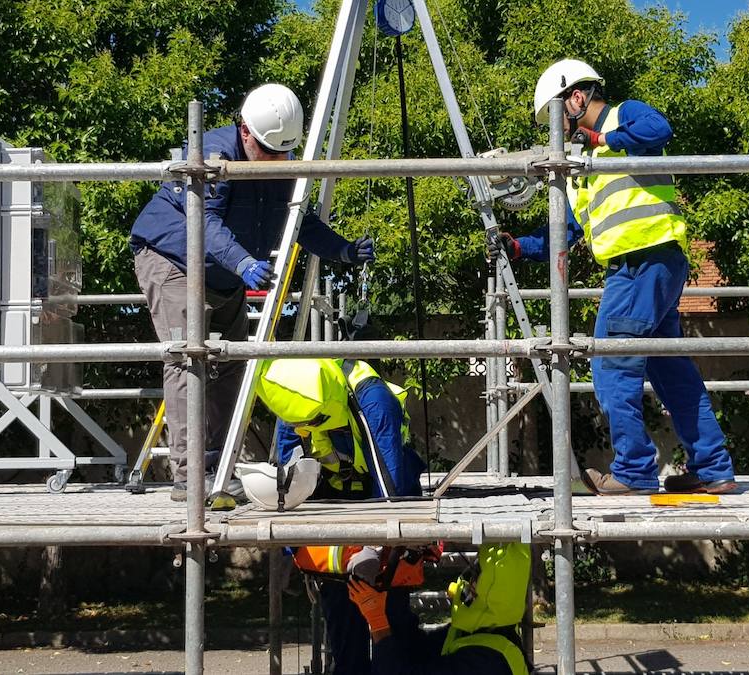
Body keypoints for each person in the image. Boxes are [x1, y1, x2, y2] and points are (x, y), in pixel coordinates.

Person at [490, 59, 735, 496]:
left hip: (640, 264)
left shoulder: (624, 116)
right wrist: (517, 247)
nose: (556, 133)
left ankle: (635, 472)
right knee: (670, 369)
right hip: (650, 267)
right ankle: (713, 468)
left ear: (576, 98)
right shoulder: (580, 169)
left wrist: (601, 138)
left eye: (555, 118)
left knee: (610, 366)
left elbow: (659, 130)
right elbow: (565, 232)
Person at [130, 84, 374, 502]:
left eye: (284, 154)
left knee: (231, 365)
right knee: (189, 359)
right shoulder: (213, 156)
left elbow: (301, 222)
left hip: (223, 273)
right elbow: (202, 221)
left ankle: (214, 467)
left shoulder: (279, 160)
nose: (277, 161)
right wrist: (243, 262)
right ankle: (188, 479)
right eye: (268, 151)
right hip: (173, 261)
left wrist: (343, 250)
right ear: (245, 131)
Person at [252, 357, 426, 674]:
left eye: (313, 423)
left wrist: (374, 549)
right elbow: (289, 490)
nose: (307, 430)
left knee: (389, 607)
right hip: (335, 497)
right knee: (339, 604)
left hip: (389, 490)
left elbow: (391, 489)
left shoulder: (373, 401)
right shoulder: (293, 404)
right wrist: (293, 550)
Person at [347, 542, 532, 675]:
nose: (468, 581)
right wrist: (390, 601)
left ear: (492, 591)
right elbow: (415, 648)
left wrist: (378, 622)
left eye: (476, 575)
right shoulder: (483, 634)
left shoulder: (485, 662)